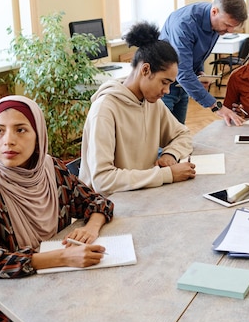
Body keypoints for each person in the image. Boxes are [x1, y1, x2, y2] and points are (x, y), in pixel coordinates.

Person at [0, 95, 114, 322]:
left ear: (39, 135)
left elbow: (96, 201)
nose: (8, 141)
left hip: (50, 280)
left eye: (21, 130)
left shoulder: (50, 168)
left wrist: (91, 227)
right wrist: (63, 257)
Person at [79, 21, 196, 196]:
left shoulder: (153, 103)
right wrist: (166, 174)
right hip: (106, 207)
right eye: (164, 82)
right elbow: (102, 181)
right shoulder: (104, 110)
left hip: (141, 195)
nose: (167, 91)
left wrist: (170, 155)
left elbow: (183, 134)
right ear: (145, 70)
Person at [159, 0, 249, 125]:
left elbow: (197, 52)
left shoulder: (217, 23)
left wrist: (200, 74)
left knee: (177, 134)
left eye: (233, 26)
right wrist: (216, 106)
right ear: (214, 12)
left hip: (182, 85)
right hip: (163, 85)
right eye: (227, 25)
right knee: (162, 137)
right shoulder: (184, 24)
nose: (230, 31)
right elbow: (183, 73)